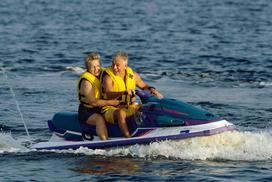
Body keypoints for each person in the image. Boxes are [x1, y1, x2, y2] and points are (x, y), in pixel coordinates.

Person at [102, 52, 163, 138]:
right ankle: (128, 137)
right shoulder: (108, 77)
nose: (114, 68)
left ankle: (155, 131)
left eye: (117, 65)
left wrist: (152, 89)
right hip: (111, 109)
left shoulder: (132, 75)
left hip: (130, 106)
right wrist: (123, 92)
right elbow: (108, 94)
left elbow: (144, 86)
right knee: (121, 113)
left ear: (125, 66)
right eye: (113, 64)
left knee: (149, 108)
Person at [77, 52, 120, 140]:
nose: (96, 69)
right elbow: (93, 102)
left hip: (102, 107)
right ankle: (105, 142)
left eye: (98, 66)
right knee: (99, 119)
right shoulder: (86, 82)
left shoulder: (104, 73)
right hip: (88, 111)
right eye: (93, 67)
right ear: (88, 68)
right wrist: (113, 102)